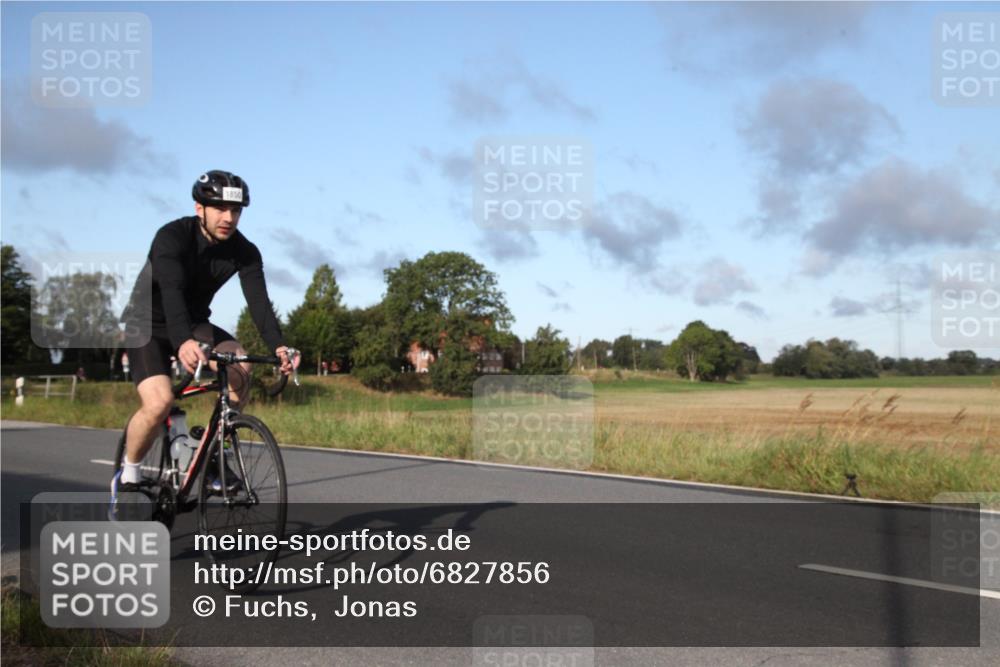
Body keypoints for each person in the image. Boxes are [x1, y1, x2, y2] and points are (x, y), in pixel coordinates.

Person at [113, 170, 293, 510]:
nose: (229, 218)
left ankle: (214, 454)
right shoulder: (171, 237)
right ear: (200, 208)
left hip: (195, 323)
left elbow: (260, 303)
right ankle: (129, 475)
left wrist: (279, 347)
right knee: (158, 403)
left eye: (236, 211)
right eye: (220, 208)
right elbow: (172, 290)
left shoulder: (245, 251)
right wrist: (182, 341)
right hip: (147, 323)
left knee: (239, 367)